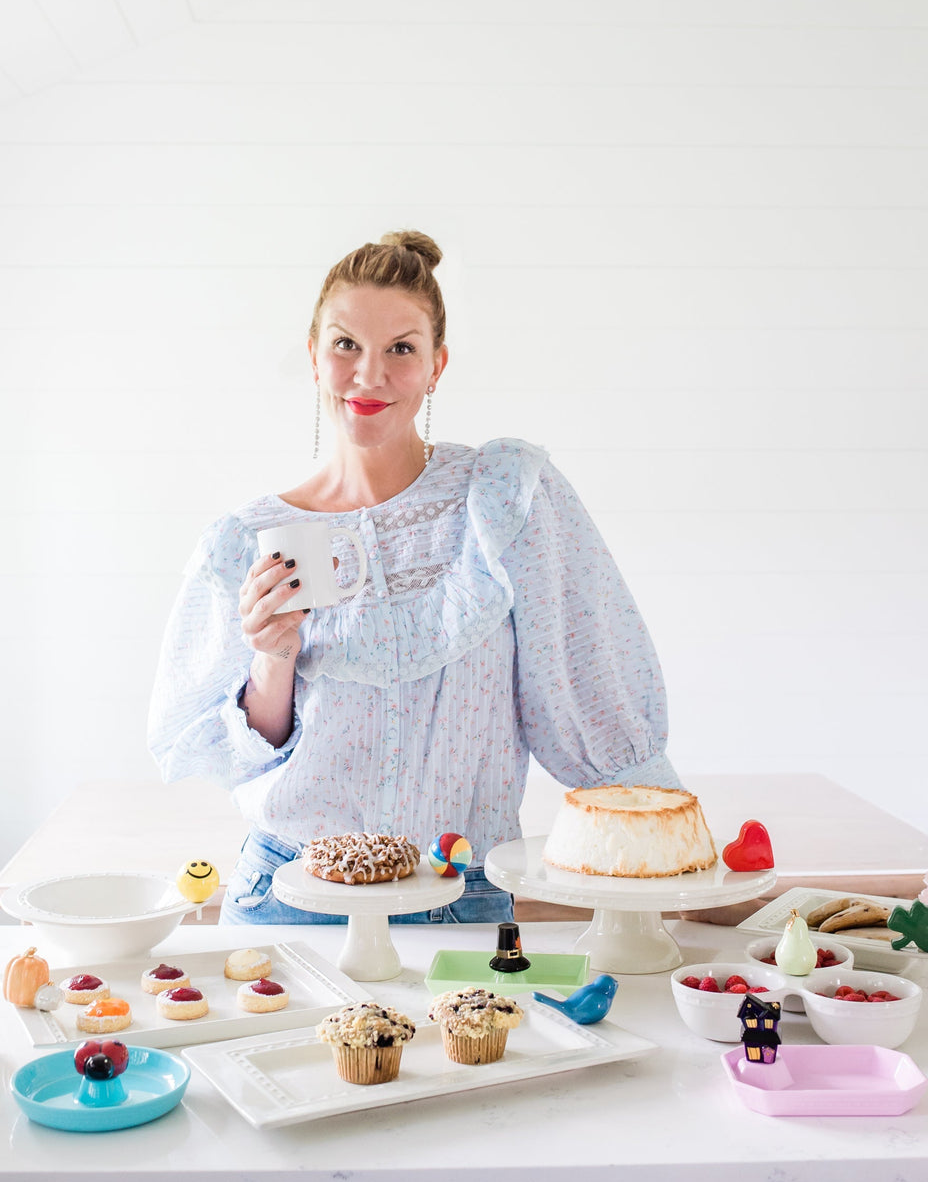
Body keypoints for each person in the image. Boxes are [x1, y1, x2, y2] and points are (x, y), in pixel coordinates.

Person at [148, 231, 678, 926]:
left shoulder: (505, 501)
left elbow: (586, 694)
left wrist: (670, 855)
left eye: (401, 348)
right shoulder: (247, 541)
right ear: (314, 357)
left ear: (437, 366)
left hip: (465, 895)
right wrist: (272, 656)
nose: (369, 376)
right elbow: (241, 760)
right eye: (346, 346)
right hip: (288, 897)